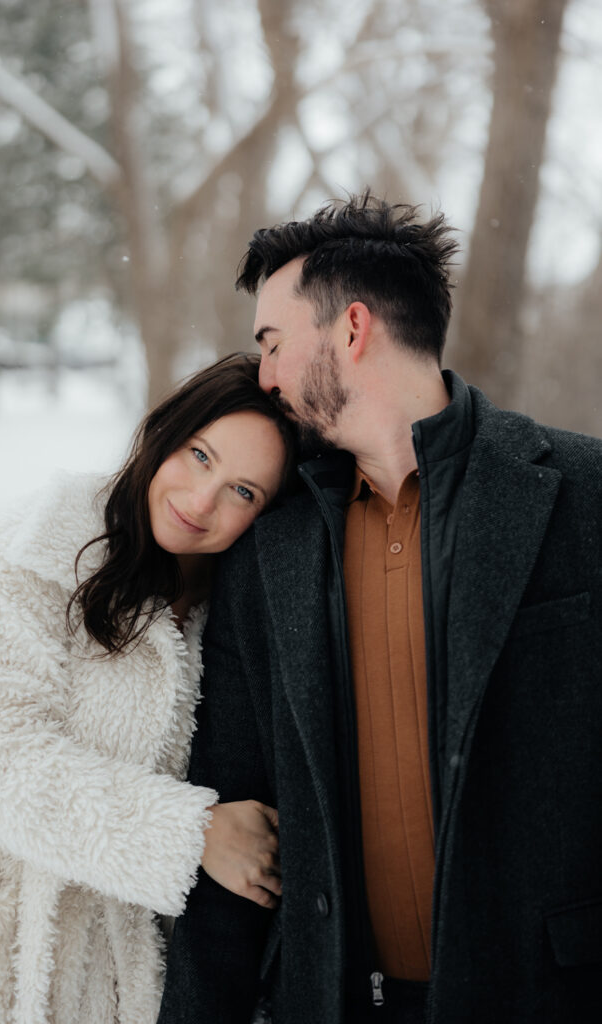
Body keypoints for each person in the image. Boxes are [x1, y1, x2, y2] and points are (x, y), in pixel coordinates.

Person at [157, 193, 602, 1024]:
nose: (264, 375)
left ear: (351, 330)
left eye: (273, 342)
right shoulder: (269, 546)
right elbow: (234, 806)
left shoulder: (582, 495)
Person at [0, 353, 293, 1024]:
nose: (201, 501)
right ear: (161, 433)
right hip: (9, 957)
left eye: (243, 491)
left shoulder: (232, 609)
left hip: (139, 969)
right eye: (199, 455)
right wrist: (191, 834)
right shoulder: (29, 556)